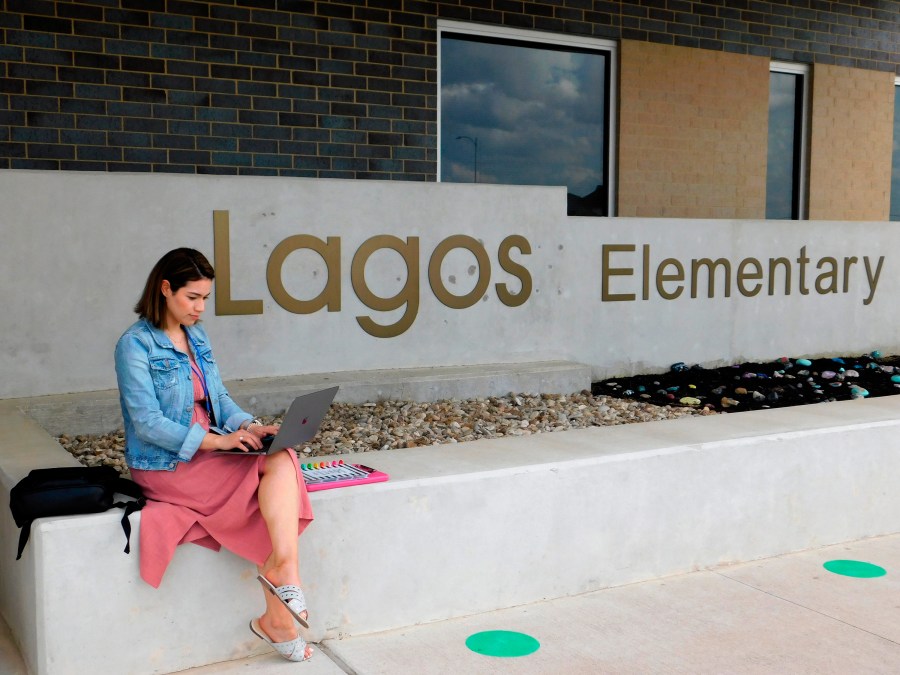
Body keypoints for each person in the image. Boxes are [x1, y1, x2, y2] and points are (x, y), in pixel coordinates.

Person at [114, 247, 314, 662]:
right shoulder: (134, 345)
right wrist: (217, 442)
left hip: (208, 453)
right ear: (165, 289)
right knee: (274, 475)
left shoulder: (196, 336)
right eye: (192, 297)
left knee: (279, 454)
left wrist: (248, 427)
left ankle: (284, 577)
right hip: (167, 464)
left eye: (205, 298)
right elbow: (147, 422)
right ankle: (279, 605)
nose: (200, 308)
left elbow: (220, 400)